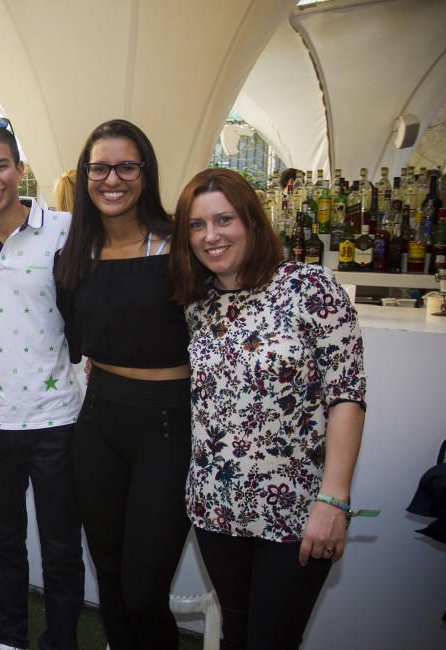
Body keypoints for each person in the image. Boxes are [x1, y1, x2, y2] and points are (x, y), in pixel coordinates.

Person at [169, 168, 368, 649]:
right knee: (237, 632)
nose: (211, 236)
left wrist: (334, 499)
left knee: (271, 640)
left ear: (252, 222)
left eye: (224, 219)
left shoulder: (311, 288)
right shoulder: (195, 305)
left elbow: (347, 395)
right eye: (197, 225)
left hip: (296, 509)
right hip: (216, 509)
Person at [54, 119, 191, 648]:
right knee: (109, 579)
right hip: (100, 424)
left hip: (168, 425)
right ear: (86, 175)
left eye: (126, 166)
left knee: (142, 591)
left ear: (145, 172)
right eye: (100, 167)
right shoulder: (73, 256)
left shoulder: (182, 244)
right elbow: (79, 336)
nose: (113, 178)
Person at [0, 117, 84, 650]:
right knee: (4, 543)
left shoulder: (67, 228)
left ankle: (63, 640)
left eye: (0, 165)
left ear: (20, 169)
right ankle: (9, 639)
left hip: (57, 419)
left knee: (60, 546)